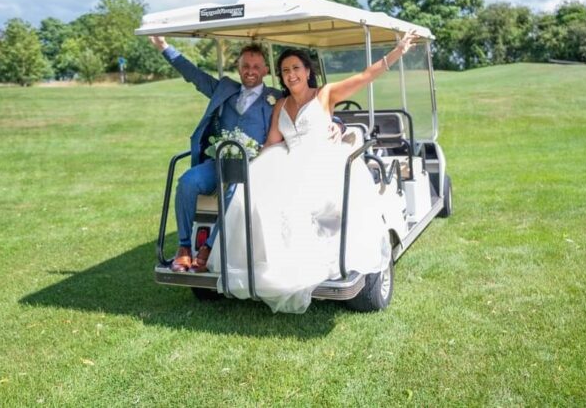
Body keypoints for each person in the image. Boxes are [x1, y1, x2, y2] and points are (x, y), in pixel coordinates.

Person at [207, 31, 420, 313]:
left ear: (308, 71)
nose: (291, 74)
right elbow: (273, 140)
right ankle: (267, 265)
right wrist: (245, 155)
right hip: (288, 159)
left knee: (297, 202)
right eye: (285, 71)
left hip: (323, 161)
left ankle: (307, 266)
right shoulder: (280, 105)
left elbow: (366, 76)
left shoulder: (325, 94)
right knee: (251, 198)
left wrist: (397, 51)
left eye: (296, 68)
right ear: (281, 77)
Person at [151, 36, 283, 273]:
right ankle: (183, 247)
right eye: (245, 66)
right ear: (238, 68)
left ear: (265, 69)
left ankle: (209, 247)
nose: (250, 71)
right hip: (218, 162)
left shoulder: (276, 98)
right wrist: (164, 48)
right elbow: (194, 75)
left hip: (255, 167)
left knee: (235, 190)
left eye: (255, 67)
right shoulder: (224, 89)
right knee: (187, 182)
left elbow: (305, 109)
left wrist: (337, 124)